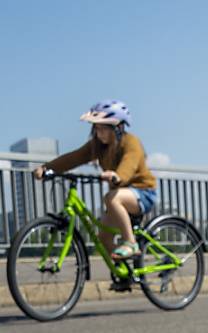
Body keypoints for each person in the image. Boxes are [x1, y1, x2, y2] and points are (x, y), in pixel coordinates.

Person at [33, 100, 157, 263]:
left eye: (104, 129)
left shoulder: (131, 142)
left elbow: (130, 163)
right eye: (97, 129)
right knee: (103, 237)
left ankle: (131, 243)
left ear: (118, 127)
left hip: (143, 192)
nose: (100, 133)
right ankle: (125, 273)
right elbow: (74, 158)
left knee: (111, 197)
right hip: (119, 196)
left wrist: (117, 175)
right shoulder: (98, 146)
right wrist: (47, 168)